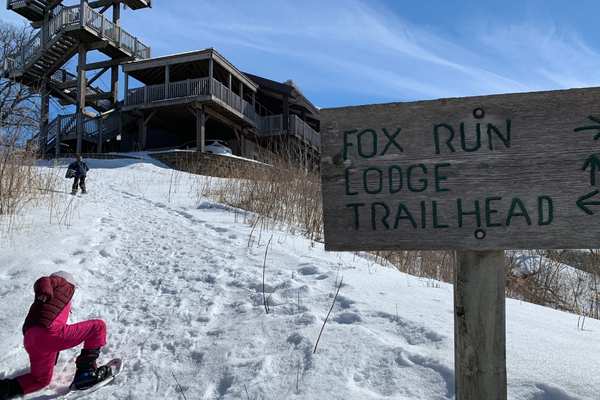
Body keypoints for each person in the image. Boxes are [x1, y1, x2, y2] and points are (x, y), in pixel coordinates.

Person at [0, 271, 110, 399]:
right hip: (49, 334)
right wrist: (44, 291)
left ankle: (4, 389)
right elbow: (43, 281)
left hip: (31, 339)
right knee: (98, 327)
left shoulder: (45, 305)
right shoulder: (61, 282)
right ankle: (85, 374)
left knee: (40, 380)